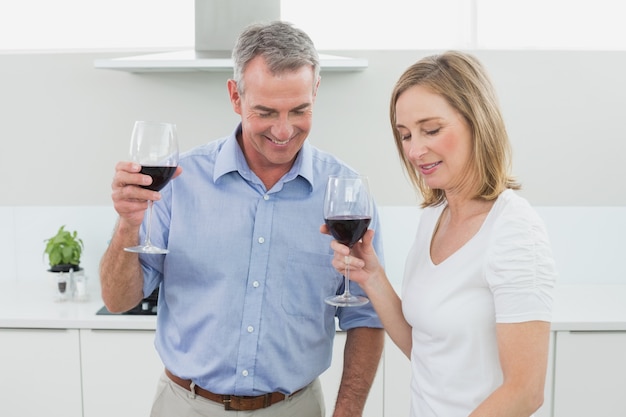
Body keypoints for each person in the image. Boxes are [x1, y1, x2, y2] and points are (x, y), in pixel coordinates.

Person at [99, 21, 384, 417]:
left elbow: (366, 317)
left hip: (295, 407)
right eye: (265, 112)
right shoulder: (178, 183)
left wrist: (348, 412)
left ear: (316, 91)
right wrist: (127, 225)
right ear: (236, 96)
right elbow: (117, 300)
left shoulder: (346, 196)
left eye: (299, 110)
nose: (283, 130)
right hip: (185, 405)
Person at [322, 51, 557, 417]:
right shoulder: (435, 216)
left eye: (431, 130)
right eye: (405, 135)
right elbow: (426, 347)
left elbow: (525, 392)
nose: (415, 150)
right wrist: (371, 276)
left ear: (477, 121)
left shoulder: (514, 231)